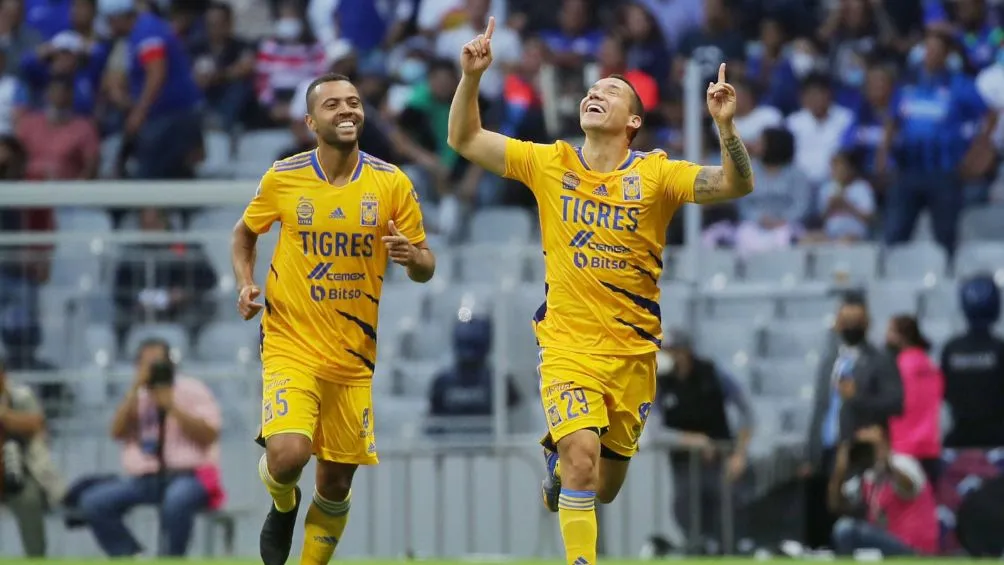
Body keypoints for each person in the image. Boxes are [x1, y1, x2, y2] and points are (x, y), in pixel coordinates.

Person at [446, 17, 755, 565]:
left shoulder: (657, 175)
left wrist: (726, 128)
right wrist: (470, 78)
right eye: (591, 89)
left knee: (601, 486)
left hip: (632, 355)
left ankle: (558, 467)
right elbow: (465, 139)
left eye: (610, 91)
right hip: (566, 345)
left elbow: (736, 183)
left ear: (633, 120)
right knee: (582, 460)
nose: (595, 93)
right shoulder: (550, 162)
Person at [232, 72, 436, 565]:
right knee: (288, 455)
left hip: (352, 354)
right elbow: (244, 234)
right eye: (333, 105)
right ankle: (282, 502)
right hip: (290, 342)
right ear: (310, 121)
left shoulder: (391, 182)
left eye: (354, 102)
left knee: (337, 482)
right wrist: (245, 281)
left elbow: (427, 266)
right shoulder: (284, 176)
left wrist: (413, 258)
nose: (347, 110)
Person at [81, 339, 222, 557]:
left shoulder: (192, 389)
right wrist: (136, 388)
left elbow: (210, 434)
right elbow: (116, 432)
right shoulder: (137, 396)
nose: (153, 369)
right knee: (94, 501)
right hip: (145, 479)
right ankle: (128, 556)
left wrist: (171, 407)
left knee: (176, 501)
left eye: (157, 363)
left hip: (189, 476)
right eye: (146, 364)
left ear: (170, 364)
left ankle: (171, 559)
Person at [803, 295, 903, 549]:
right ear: (837, 322)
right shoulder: (829, 360)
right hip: (827, 451)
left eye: (856, 321)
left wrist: (857, 397)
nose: (850, 326)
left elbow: (896, 403)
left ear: (867, 323)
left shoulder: (880, 359)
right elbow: (820, 408)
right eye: (845, 320)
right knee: (822, 524)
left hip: (860, 454)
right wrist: (810, 453)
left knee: (852, 521)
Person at [653, 329, 753, 555]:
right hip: (684, 465)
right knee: (687, 512)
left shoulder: (711, 374)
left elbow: (746, 412)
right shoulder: (660, 384)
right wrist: (690, 440)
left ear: (686, 351)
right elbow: (655, 431)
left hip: (720, 460)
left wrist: (740, 453)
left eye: (674, 350)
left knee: (726, 514)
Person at [828, 423, 938, 556]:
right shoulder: (867, 475)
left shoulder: (904, 462)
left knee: (846, 529)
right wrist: (840, 469)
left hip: (912, 546)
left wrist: (886, 461)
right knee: (843, 527)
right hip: (883, 543)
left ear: (885, 442)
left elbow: (909, 488)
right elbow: (837, 505)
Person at [0, 356, 66, 557]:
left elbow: (36, 425)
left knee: (29, 499)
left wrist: (3, 415)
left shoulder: (21, 396)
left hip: (19, 471)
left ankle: (36, 558)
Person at [941, 274, 1004, 448]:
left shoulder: (951, 348)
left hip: (959, 440)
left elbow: (945, 392)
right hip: (997, 442)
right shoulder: (1000, 348)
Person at [885, 315, 943, 485]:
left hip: (903, 449)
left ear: (901, 336)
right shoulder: (930, 365)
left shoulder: (896, 367)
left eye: (890, 332)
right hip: (930, 447)